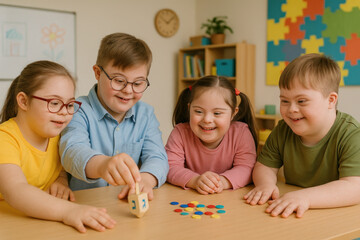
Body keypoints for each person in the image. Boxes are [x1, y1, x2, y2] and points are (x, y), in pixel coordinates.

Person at [0, 60, 116, 233]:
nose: (64, 112)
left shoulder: (57, 136)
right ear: (23, 101)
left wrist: (61, 179)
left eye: (70, 105)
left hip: (43, 222)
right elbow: (16, 191)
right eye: (54, 103)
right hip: (10, 223)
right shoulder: (5, 138)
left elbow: (59, 166)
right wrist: (68, 211)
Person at [244, 53, 360, 218]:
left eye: (302, 101)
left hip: (339, 217)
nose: (291, 109)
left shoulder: (352, 135)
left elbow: (354, 188)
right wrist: (265, 185)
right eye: (284, 101)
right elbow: (265, 166)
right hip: (295, 212)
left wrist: (305, 197)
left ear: (331, 100)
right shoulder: (283, 129)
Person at [60, 33, 168, 200]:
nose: (128, 90)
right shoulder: (77, 110)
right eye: (119, 81)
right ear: (97, 73)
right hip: (84, 206)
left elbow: (157, 157)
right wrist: (102, 165)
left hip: (125, 206)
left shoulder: (146, 115)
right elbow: (72, 152)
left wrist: (146, 179)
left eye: (138, 83)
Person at [165, 75, 258, 194]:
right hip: (190, 198)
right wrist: (195, 180)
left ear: (234, 113)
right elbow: (170, 167)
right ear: (189, 109)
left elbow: (247, 168)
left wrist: (222, 182)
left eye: (217, 113)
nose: (207, 119)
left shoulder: (241, 133)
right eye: (198, 111)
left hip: (229, 201)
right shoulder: (180, 132)